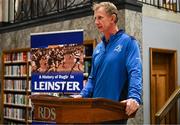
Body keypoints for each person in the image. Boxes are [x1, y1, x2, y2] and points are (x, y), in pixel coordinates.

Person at [73, 2, 142, 123]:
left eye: (100, 17)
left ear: (113, 18)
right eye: (95, 18)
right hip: (95, 111)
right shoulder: (98, 49)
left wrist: (134, 97)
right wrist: (82, 95)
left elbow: (135, 72)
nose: (96, 22)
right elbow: (92, 78)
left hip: (114, 110)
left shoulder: (129, 42)